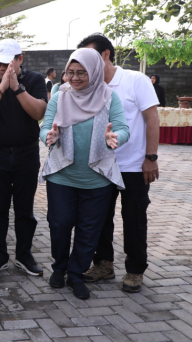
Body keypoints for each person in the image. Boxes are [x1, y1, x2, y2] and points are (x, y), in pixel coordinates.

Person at [40, 48, 130, 299]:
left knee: (89, 230)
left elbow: (123, 128)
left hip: (97, 178)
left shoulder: (109, 97)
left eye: (81, 73)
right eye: (70, 72)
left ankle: (76, 274)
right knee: (59, 225)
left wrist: (116, 137)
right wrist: (48, 136)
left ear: (94, 71)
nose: (75, 78)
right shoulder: (59, 96)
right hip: (62, 175)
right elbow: (46, 125)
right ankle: (59, 268)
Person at [78, 33, 160, 293]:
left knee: (134, 218)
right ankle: (104, 264)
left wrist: (150, 158)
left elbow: (152, 119)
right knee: (99, 218)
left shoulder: (135, 80)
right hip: (101, 166)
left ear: (105, 55)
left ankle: (135, 270)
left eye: (90, 57)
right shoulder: (90, 86)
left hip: (134, 166)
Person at [0, 39, 48, 277]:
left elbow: (38, 112)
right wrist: (1, 87)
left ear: (20, 59)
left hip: (26, 154)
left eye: (7, 64)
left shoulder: (35, 80)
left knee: (25, 209)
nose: (2, 69)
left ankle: (24, 254)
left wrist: (16, 88)